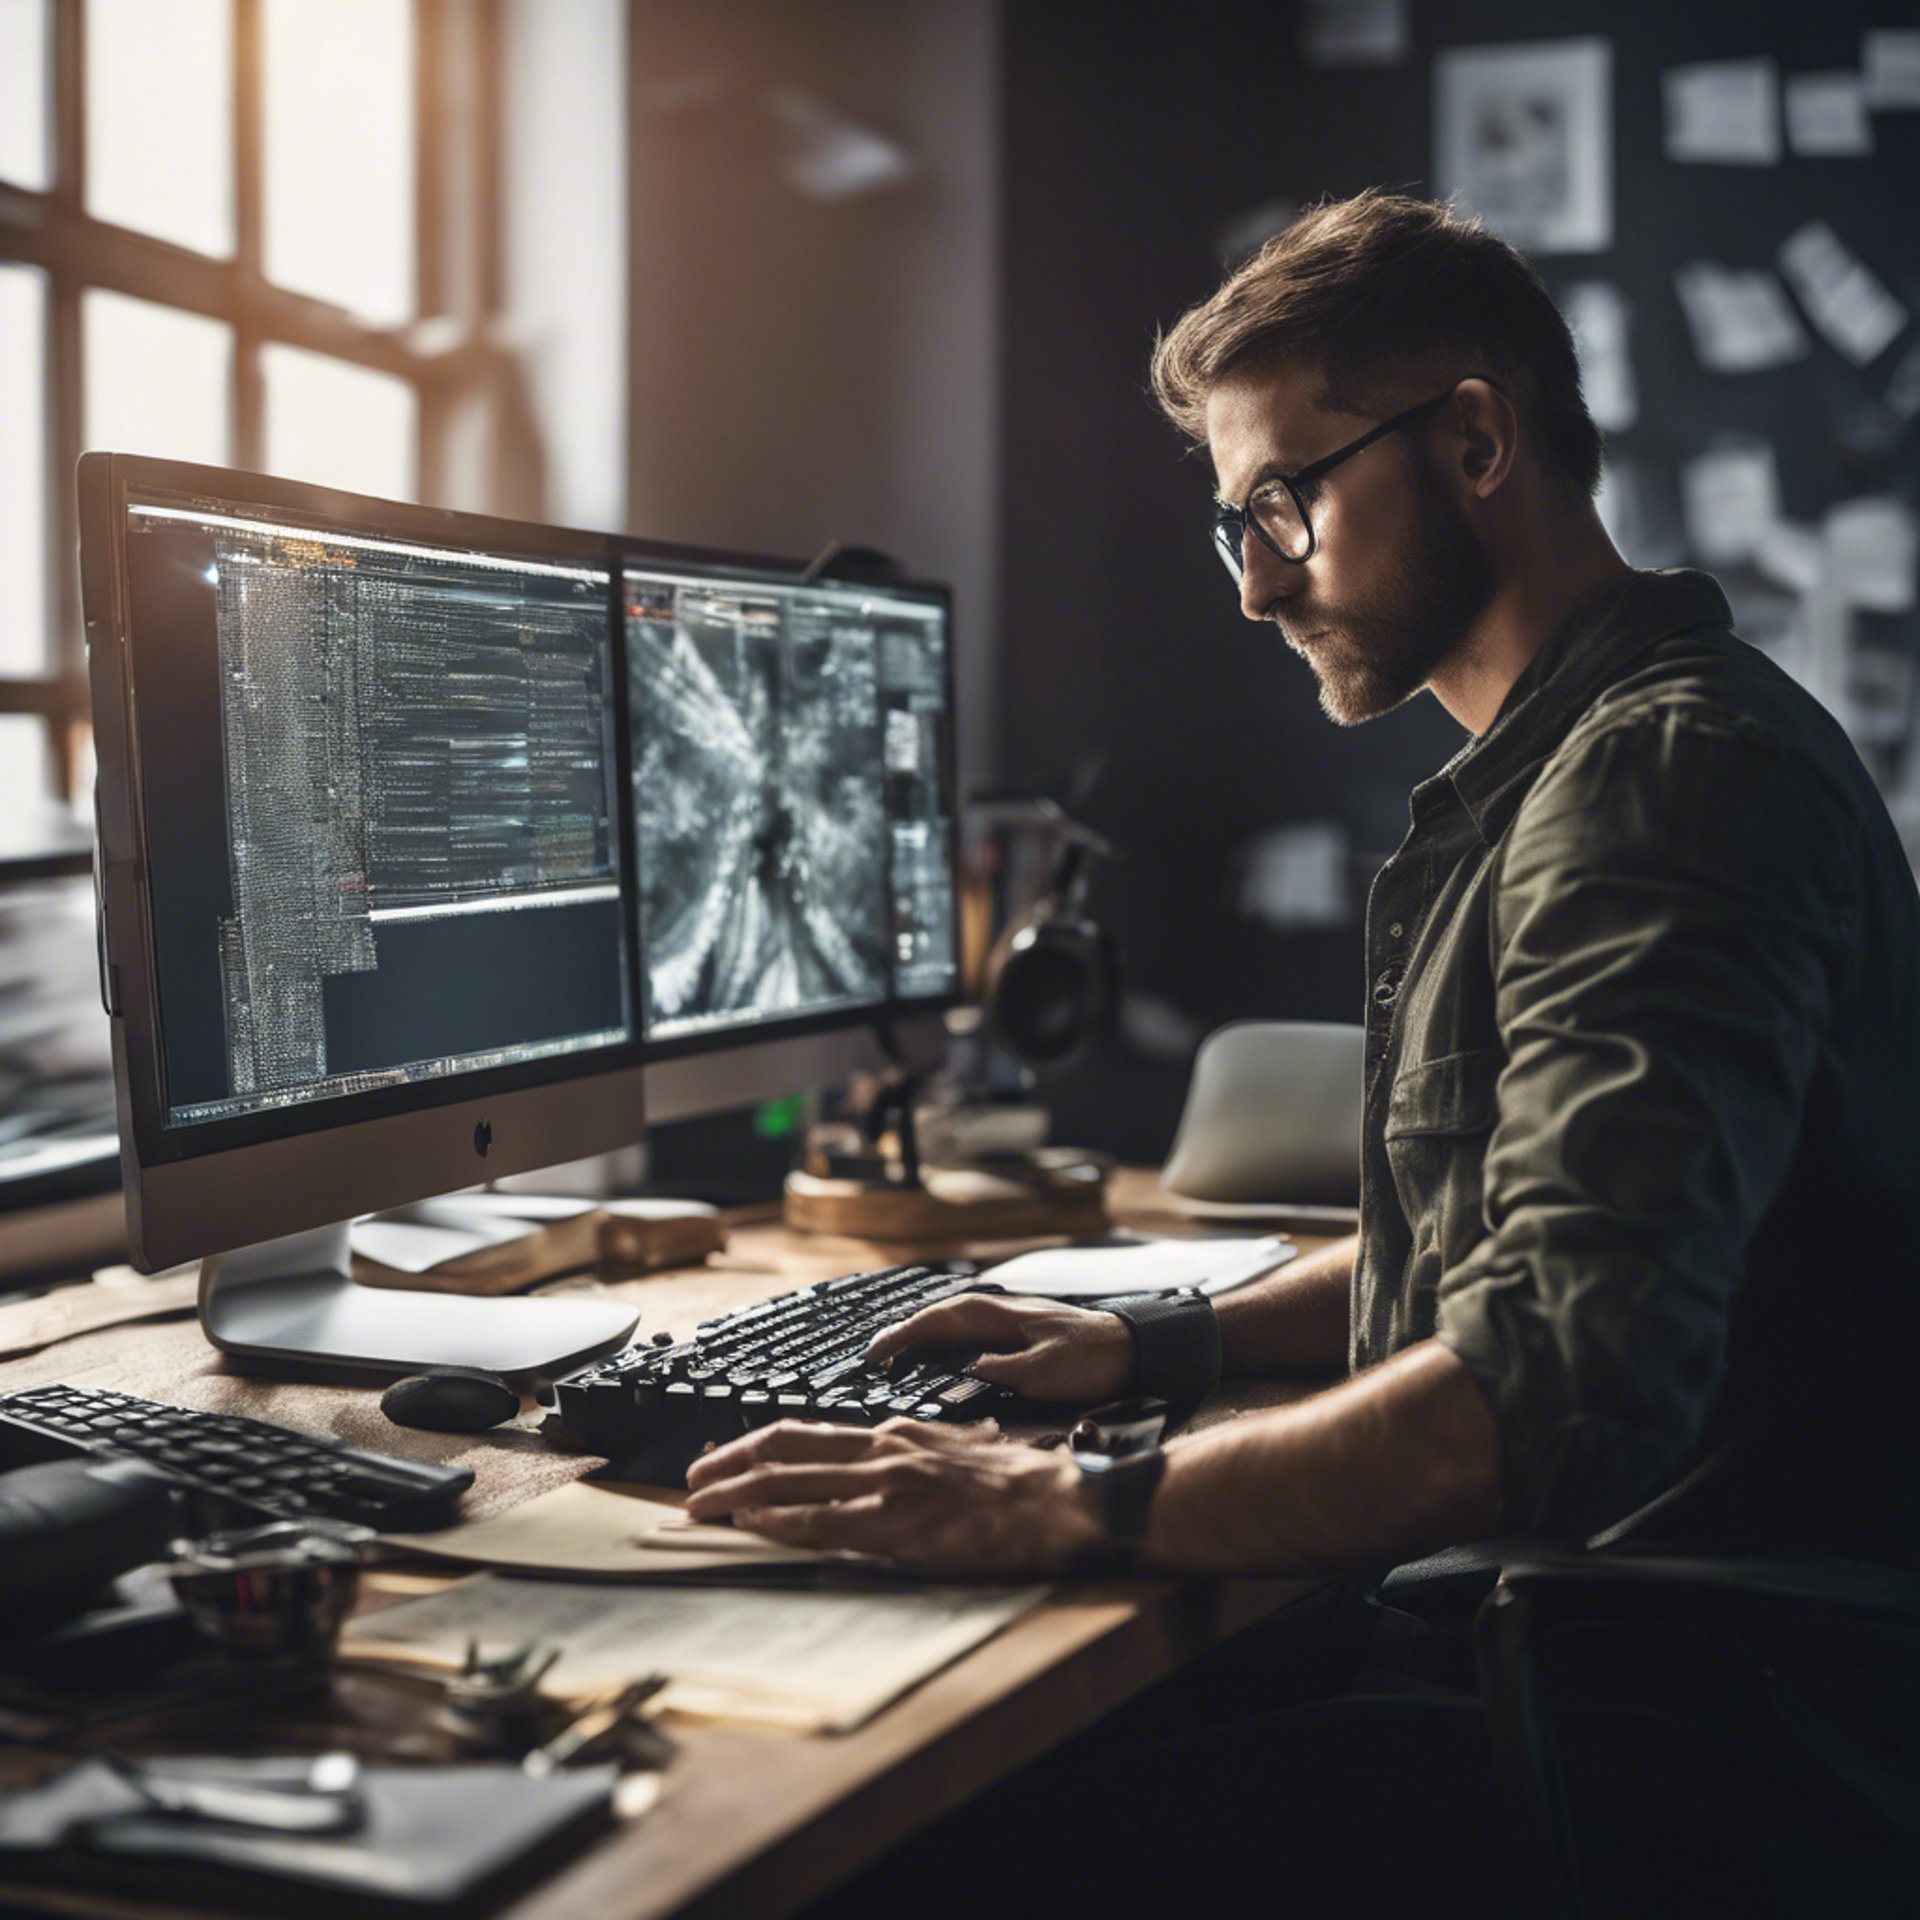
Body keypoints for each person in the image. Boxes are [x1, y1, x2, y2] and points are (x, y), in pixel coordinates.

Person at [690, 192, 1920, 1913]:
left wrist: (1070, 1503)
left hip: (1657, 1724)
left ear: (1475, 438)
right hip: (1567, 1639)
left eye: (1286, 502)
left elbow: (1549, 1375)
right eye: (1234, 526)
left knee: (890, 1844)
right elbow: (1501, 1249)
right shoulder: (1586, 766)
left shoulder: (1660, 786)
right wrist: (1150, 1343)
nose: (1259, 583)